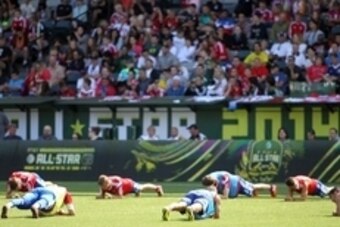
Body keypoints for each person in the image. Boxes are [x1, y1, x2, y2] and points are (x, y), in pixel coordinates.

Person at [1, 185, 75, 219]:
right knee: (45, 201)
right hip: (50, 194)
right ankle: (35, 206)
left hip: (38, 189)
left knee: (24, 201)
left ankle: (9, 205)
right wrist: (62, 213)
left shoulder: (52, 186)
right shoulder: (66, 193)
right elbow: (72, 212)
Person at [208, 171, 277, 198]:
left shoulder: (220, 178)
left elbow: (226, 177)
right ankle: (267, 188)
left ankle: (270, 187)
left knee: (252, 187)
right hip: (234, 189)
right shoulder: (210, 179)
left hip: (237, 183)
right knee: (252, 189)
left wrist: (225, 191)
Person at [96, 175, 164, 199]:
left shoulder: (116, 183)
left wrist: (110, 196)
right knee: (136, 193)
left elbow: (120, 196)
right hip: (125, 190)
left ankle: (157, 188)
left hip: (130, 185)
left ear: (107, 182)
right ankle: (136, 193)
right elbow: (101, 195)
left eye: (104, 185)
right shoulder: (103, 186)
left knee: (141, 188)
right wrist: (101, 196)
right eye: (102, 186)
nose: (103, 187)